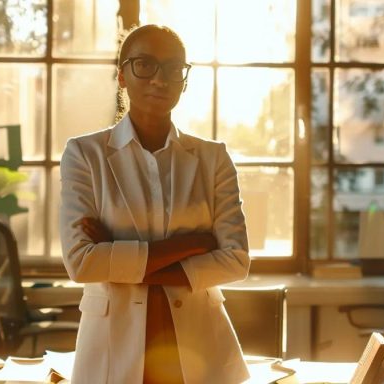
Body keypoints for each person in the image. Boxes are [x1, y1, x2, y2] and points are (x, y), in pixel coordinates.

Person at [58, 24, 251, 384]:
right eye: (144, 64)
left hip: (201, 351)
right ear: (121, 76)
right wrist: (191, 244)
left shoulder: (213, 159)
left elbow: (236, 261)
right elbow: (82, 263)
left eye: (174, 67)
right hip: (111, 352)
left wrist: (116, 258)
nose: (160, 79)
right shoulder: (85, 154)